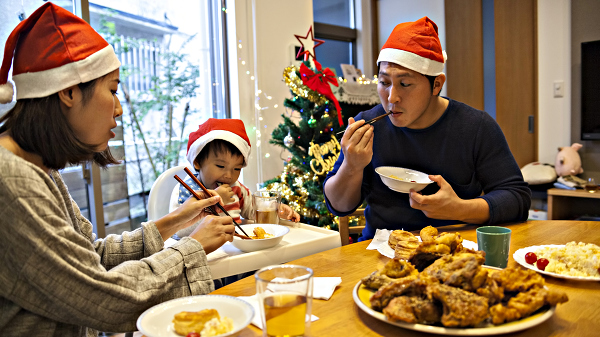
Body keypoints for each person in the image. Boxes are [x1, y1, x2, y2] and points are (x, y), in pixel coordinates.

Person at [0, 3, 235, 336]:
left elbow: (90, 256)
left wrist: (179, 218)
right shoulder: (11, 180)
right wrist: (191, 248)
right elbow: (99, 297)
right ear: (67, 91)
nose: (120, 108)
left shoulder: (37, 167)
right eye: (112, 90)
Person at [323, 17, 531, 241]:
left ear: (437, 85)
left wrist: (459, 208)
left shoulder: (475, 127)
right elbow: (338, 206)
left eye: (405, 84)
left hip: (452, 254)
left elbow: (517, 199)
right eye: (384, 83)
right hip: (378, 254)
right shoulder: (369, 125)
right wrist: (351, 166)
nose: (392, 97)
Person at [173, 118, 300, 238]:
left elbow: (252, 210)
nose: (229, 175)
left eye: (237, 169)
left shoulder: (236, 188)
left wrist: (275, 208)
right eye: (220, 166)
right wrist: (214, 203)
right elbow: (180, 230)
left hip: (234, 248)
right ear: (197, 162)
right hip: (200, 252)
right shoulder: (186, 189)